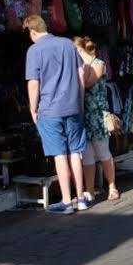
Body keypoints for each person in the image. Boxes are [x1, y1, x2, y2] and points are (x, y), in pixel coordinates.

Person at [24, 15, 88, 213]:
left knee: (60, 155)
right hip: (73, 106)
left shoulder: (34, 50)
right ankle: (81, 199)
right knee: (75, 152)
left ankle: (67, 202)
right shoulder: (68, 45)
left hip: (50, 110)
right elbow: (81, 75)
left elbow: (33, 83)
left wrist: (32, 108)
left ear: (33, 31)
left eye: (29, 34)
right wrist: (81, 101)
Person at [74, 37, 119, 201]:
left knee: (103, 152)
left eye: (77, 50)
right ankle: (90, 190)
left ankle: (112, 186)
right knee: (87, 155)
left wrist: (83, 65)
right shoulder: (79, 67)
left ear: (84, 50)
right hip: (83, 116)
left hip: (97, 115)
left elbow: (87, 83)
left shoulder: (99, 63)